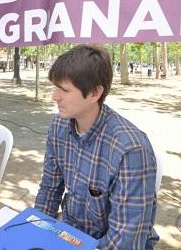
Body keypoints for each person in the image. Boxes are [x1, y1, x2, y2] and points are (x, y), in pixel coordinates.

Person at [35, 45, 158, 249]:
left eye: (64, 90)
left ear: (94, 93)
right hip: (70, 233)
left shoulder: (130, 150)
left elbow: (125, 241)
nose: (54, 96)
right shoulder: (58, 127)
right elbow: (49, 189)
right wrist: (35, 232)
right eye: (54, 87)